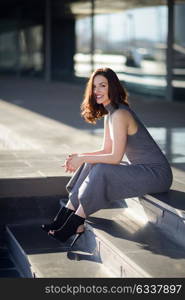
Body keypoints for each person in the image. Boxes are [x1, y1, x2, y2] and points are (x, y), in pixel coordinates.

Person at [41, 67, 173, 247]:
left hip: (157, 174)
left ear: (113, 87)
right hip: (141, 168)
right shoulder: (110, 115)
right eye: (95, 87)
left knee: (101, 168)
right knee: (91, 164)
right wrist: (81, 157)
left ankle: (76, 222)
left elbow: (115, 158)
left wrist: (83, 158)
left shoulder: (120, 114)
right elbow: (106, 150)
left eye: (103, 85)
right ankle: (64, 216)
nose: (97, 91)